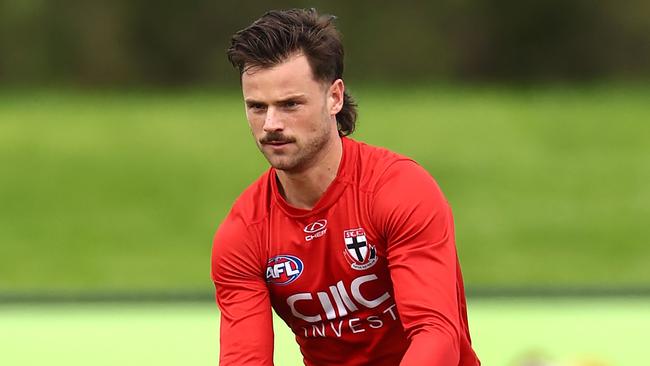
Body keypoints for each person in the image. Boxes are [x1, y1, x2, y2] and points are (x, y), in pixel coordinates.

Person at [211, 8, 480, 366]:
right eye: (257, 107)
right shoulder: (243, 234)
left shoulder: (400, 190)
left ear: (334, 97)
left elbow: (436, 334)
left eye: (290, 104)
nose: (270, 124)